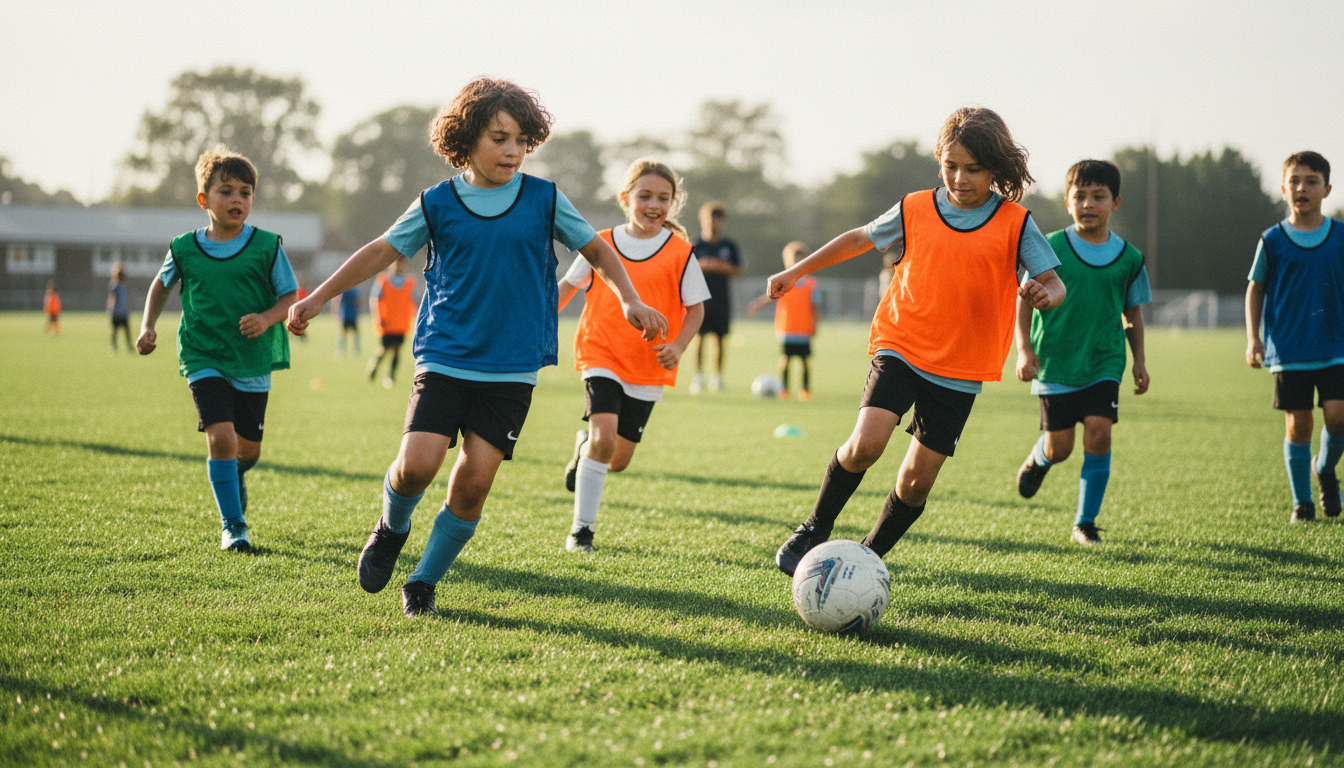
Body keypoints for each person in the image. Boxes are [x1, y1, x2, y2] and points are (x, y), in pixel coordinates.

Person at [285, 78, 667, 618]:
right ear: (466, 140)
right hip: (446, 354)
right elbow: (380, 250)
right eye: (498, 138)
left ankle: (423, 581)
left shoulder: (545, 198)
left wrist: (628, 298)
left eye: (520, 141)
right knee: (415, 467)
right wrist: (319, 296)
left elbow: (597, 249)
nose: (512, 150)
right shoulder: (437, 203)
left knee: (474, 483)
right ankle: (392, 527)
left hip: (511, 367)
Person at [771, 107, 1066, 576]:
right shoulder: (915, 207)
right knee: (866, 443)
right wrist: (796, 270)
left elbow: (1054, 283)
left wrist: (1043, 294)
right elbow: (858, 240)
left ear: (996, 169)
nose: (959, 178)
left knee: (914, 483)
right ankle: (814, 527)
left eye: (973, 169)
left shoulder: (1015, 222)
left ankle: (866, 560)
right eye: (950, 165)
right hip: (902, 343)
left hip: (961, 368)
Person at [136, 146, 299, 551]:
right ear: (203, 199)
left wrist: (265, 318)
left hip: (251, 359)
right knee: (221, 438)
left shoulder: (267, 245)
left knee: (248, 451)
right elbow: (160, 285)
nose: (237, 200)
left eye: (245, 192)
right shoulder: (183, 247)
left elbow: (290, 295)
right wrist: (147, 326)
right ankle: (234, 527)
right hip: (202, 354)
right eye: (226, 191)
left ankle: (236, 473)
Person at [558, 159, 708, 553]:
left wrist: (677, 346)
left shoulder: (681, 253)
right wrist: (533, 320)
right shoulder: (600, 242)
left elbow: (696, 310)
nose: (653, 204)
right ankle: (581, 531)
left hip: (647, 365)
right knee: (604, 438)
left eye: (663, 197)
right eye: (644, 196)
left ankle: (583, 448)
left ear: (674, 204)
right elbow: (565, 289)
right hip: (600, 352)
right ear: (626, 199)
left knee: (617, 459)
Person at [1013, 160, 1151, 546]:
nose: (1089, 204)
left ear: (1115, 202)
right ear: (1067, 200)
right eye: (1080, 196)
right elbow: (1022, 302)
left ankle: (1085, 523)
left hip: (1105, 362)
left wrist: (1139, 360)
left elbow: (1133, 314)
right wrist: (1024, 349)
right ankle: (1039, 459)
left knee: (1098, 435)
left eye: (1098, 196)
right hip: (1055, 361)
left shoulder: (1130, 258)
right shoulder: (1048, 247)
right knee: (1061, 447)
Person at [1246, 150, 1343, 523]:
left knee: (1339, 417)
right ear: (1283, 189)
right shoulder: (1272, 240)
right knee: (1299, 423)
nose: (1303, 188)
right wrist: (1253, 338)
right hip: (1289, 347)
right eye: (1295, 181)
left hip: (1336, 343)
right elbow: (1255, 289)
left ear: (1327, 189)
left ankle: (1326, 468)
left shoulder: (1340, 236)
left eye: (1312, 181)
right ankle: (1302, 502)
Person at [748, 241, 820, 400]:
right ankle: (784, 389)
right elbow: (771, 295)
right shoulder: (784, 280)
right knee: (785, 360)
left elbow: (815, 306)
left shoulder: (811, 283)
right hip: (787, 328)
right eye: (794, 259)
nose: (796, 262)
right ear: (787, 260)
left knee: (804, 361)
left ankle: (805, 390)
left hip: (804, 330)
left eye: (800, 259)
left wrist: (815, 325)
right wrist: (758, 303)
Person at [689, 201, 743, 393]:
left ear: (723, 222)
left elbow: (738, 269)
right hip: (699, 299)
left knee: (720, 339)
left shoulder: (729, 245)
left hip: (721, 298)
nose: (714, 222)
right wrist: (704, 265)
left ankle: (717, 377)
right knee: (699, 338)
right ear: (703, 220)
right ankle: (698, 377)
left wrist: (718, 266)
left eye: (718, 219)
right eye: (710, 218)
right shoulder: (695, 244)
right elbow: (685, 269)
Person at [366, 257, 417, 388]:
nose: (400, 266)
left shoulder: (410, 282)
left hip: (401, 323)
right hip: (387, 322)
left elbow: (415, 301)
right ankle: (374, 367)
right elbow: (374, 299)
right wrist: (378, 316)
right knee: (384, 349)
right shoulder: (383, 280)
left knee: (397, 351)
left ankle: (391, 377)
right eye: (398, 263)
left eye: (402, 263)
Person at [108, 262, 132, 352]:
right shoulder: (114, 286)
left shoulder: (124, 286)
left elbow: (126, 300)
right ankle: (113, 346)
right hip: (116, 312)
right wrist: (112, 310)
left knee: (127, 330)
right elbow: (112, 298)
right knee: (114, 330)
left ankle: (129, 346)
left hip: (123, 312)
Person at [337, 285, 361, 358]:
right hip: (353, 315)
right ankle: (356, 351)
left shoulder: (343, 290)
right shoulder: (355, 290)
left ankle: (342, 352)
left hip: (345, 315)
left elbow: (339, 300)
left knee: (342, 334)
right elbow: (357, 302)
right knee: (356, 334)